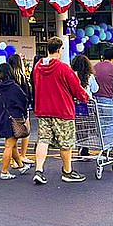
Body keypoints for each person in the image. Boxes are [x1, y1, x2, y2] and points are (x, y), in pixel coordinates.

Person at [31, 37, 89, 185]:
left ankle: (39, 170)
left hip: (43, 109)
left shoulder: (38, 66)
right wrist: (85, 97)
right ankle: (67, 171)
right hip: (62, 110)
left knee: (43, 140)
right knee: (66, 142)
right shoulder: (63, 67)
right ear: (58, 50)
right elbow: (76, 88)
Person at [0, 63, 30, 180]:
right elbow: (24, 99)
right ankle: (4, 171)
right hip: (13, 118)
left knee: (12, 144)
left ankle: (21, 166)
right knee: (9, 145)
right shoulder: (13, 86)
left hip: (1, 117)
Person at [92, 45, 113, 158]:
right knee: (112, 123)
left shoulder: (95, 66)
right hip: (107, 98)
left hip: (95, 99)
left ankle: (102, 146)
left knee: (102, 124)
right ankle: (107, 148)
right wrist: (112, 86)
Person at [7, 53, 33, 165]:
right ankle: (23, 155)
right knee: (25, 132)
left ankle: (15, 159)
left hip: (10, 109)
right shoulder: (22, 77)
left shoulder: (8, 77)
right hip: (22, 108)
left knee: (14, 135)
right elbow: (27, 94)